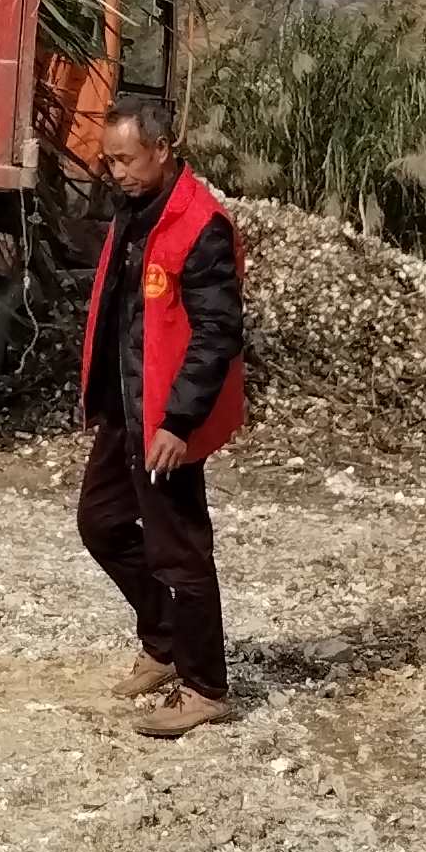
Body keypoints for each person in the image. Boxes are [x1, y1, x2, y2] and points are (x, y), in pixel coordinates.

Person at [72, 94, 250, 741]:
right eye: (109, 160)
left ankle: (205, 687)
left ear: (163, 150)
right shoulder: (135, 211)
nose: (115, 172)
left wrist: (178, 422)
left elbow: (216, 334)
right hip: (127, 407)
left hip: (166, 419)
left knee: (180, 553)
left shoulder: (200, 225)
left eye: (126, 159)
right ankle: (164, 640)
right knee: (101, 523)